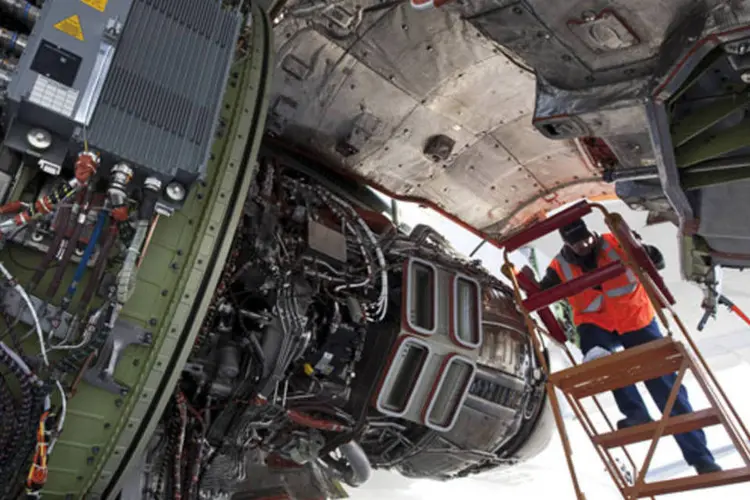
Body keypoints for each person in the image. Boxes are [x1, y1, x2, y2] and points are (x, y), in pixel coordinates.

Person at [523, 219, 722, 475]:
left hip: (636, 320)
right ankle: (636, 412)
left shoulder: (616, 241)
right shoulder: (559, 266)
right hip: (597, 325)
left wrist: (644, 250)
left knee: (666, 387)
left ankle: (701, 459)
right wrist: (528, 283)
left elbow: (656, 262)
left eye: (586, 240)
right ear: (567, 244)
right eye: (576, 244)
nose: (583, 246)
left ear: (592, 234)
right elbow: (544, 293)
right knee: (600, 358)